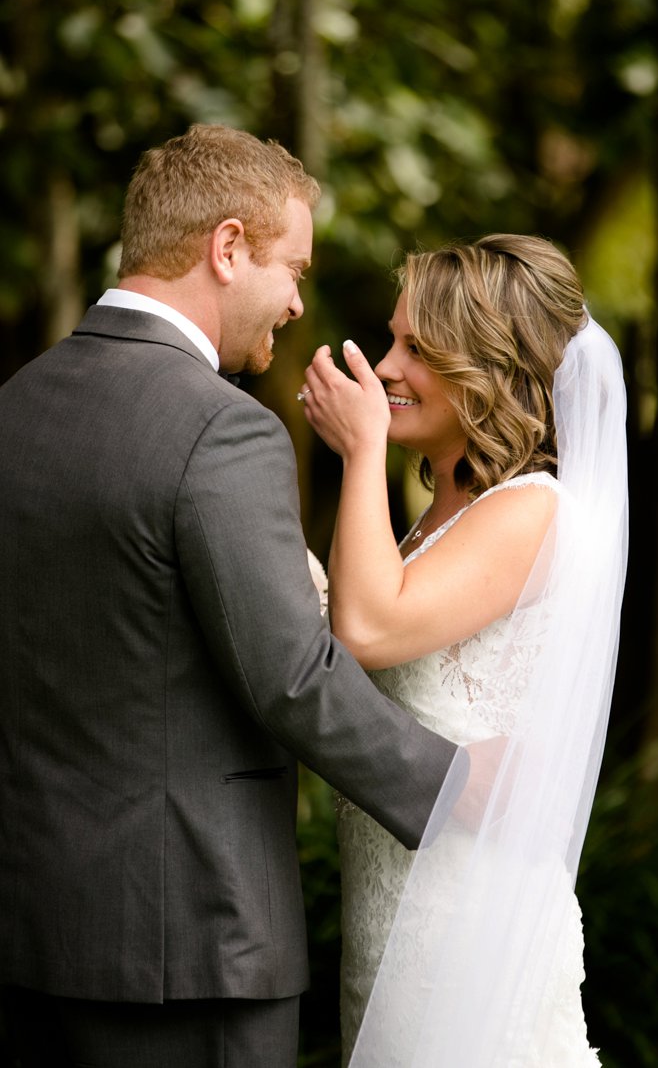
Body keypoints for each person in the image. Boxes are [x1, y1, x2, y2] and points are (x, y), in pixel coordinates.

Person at [0, 123, 465, 1068]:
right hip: (191, 946)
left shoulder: (17, 405)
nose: (297, 302)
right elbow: (292, 677)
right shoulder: (221, 430)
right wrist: (463, 795)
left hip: (31, 933)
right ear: (226, 247)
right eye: (290, 269)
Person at [301, 234, 629, 1067]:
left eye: (416, 348)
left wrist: (362, 449)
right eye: (391, 339)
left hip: (466, 939)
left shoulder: (534, 510)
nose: (382, 368)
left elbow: (368, 629)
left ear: (487, 368)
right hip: (389, 931)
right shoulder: (431, 524)